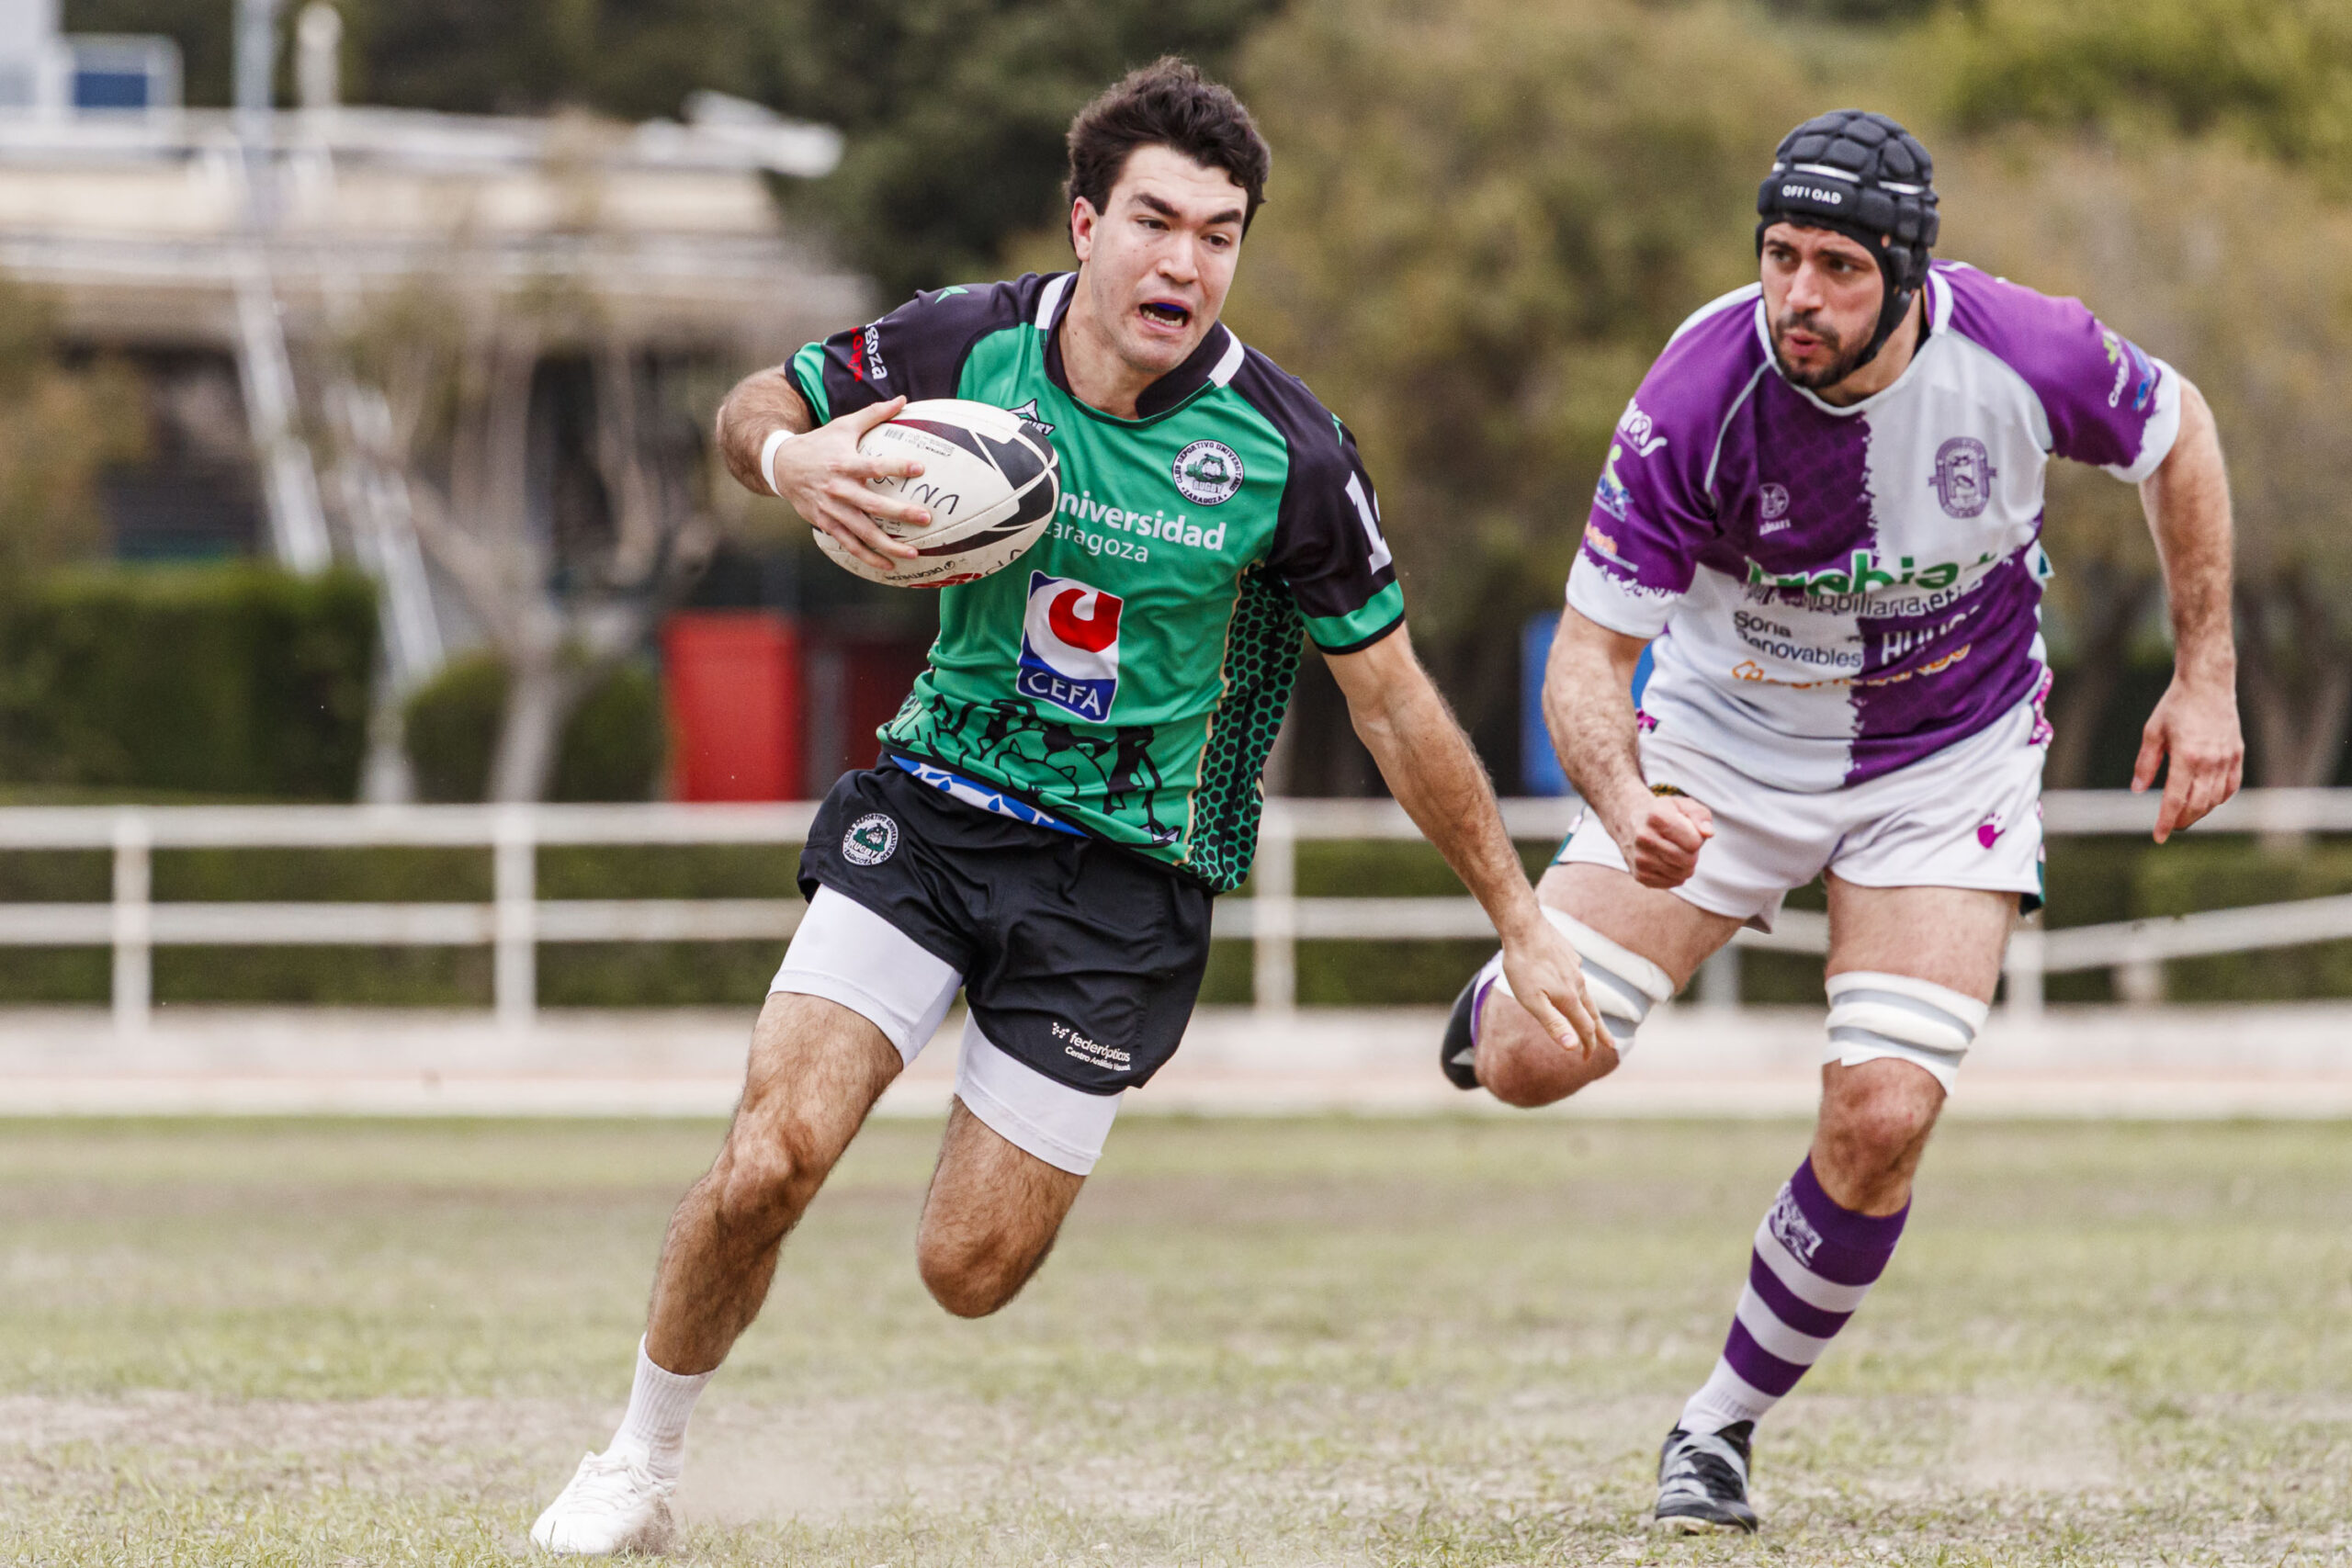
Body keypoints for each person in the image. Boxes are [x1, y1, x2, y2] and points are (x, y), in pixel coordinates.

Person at [529, 57, 1599, 1556]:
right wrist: (794, 456)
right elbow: (754, 401)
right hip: (938, 809)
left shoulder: (1289, 455)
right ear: (1086, 221)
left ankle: (995, 1102)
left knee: (967, 1270)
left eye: (1219, 233)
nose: (1184, 261)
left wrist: (1524, 920)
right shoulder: (965, 341)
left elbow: (1398, 703)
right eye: (1156, 220)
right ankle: (637, 1462)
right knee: (773, 1155)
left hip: (1127, 878)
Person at [1441, 109, 2243, 1532]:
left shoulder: (2027, 351)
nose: (1797, 297)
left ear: (1910, 275)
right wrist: (1625, 800)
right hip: (1721, 752)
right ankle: (1504, 991)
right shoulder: (1698, 390)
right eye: (1778, 255)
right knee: (1526, 1064)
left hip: (1949, 760)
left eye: (1836, 268)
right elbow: (1584, 659)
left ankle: (1718, 1426)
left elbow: (2181, 439)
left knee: (1881, 1118)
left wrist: (2207, 674)